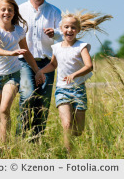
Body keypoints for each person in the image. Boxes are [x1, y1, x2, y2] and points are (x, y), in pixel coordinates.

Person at [35, 10, 113, 152]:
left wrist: (75, 75)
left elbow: (89, 66)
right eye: (66, 27)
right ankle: (68, 154)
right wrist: (41, 71)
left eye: (73, 27)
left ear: (78, 30)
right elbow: (53, 65)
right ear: (61, 29)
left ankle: (74, 143)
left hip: (78, 90)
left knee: (78, 130)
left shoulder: (81, 47)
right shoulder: (56, 47)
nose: (69, 30)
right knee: (66, 124)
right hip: (62, 90)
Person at [0, 0, 44, 143]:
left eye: (10, 10)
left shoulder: (18, 30)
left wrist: (37, 70)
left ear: (14, 12)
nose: (7, 12)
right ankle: (2, 143)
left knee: (5, 109)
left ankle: (4, 147)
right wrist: (10, 53)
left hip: (12, 74)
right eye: (3, 10)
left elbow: (27, 52)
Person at [17, 0, 62, 138]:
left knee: (42, 102)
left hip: (47, 63)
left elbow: (64, 35)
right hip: (24, 62)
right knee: (27, 97)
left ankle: (37, 139)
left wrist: (55, 33)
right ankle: (20, 136)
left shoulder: (54, 11)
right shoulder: (19, 10)